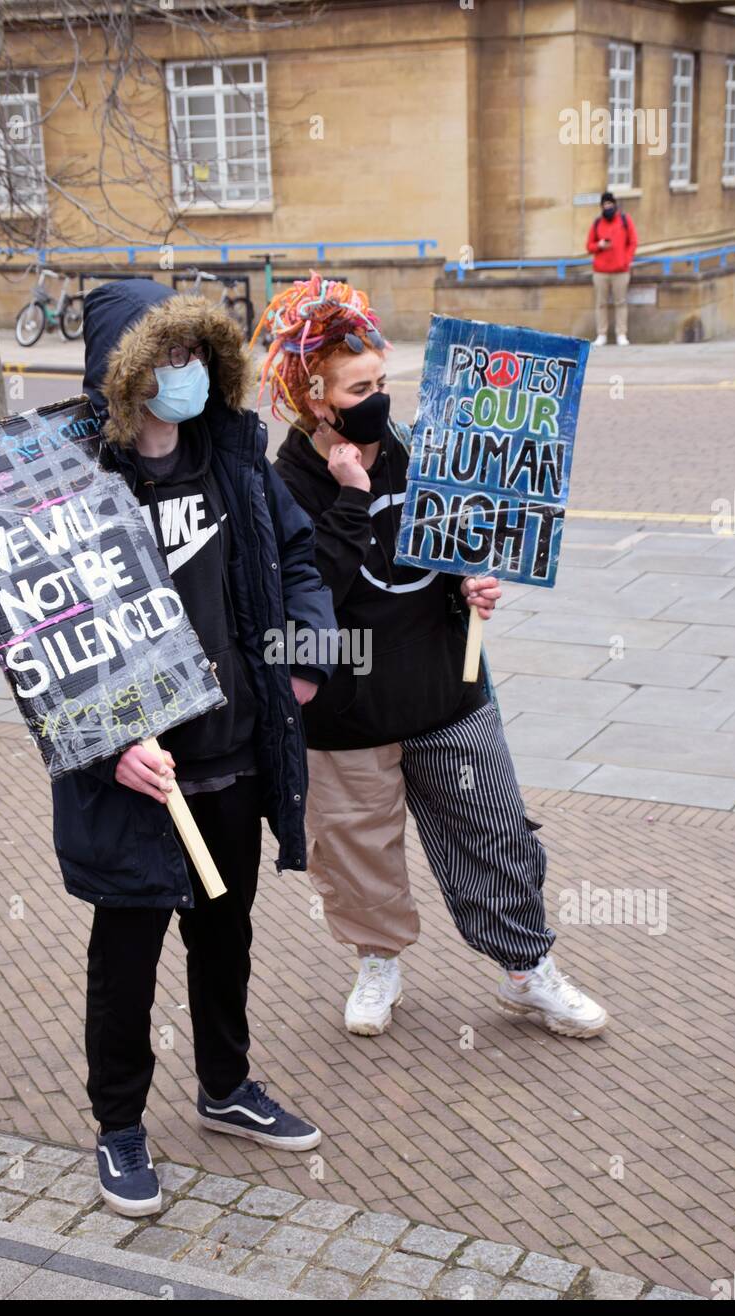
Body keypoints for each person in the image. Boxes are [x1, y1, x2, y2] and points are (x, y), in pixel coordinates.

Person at [256, 274, 608, 1043]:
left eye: (384, 380)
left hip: (449, 694)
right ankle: (378, 961)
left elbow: (460, 540)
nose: (380, 396)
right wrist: (350, 498)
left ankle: (526, 970)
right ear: (317, 398)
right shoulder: (280, 485)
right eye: (360, 386)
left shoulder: (426, 450)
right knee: (357, 857)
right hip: (347, 717)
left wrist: (472, 582)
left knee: (497, 834)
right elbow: (304, 598)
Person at [52, 279, 337, 1217]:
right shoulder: (74, 483)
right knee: (125, 960)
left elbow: (299, 562)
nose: (181, 376)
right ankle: (120, 1128)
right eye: (160, 358)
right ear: (120, 373)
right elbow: (44, 640)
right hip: (138, 777)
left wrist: (304, 661)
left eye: (191, 356)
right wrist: (103, 748)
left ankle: (225, 1086)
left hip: (231, 759)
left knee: (226, 937)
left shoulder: (237, 459)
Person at [586, 190, 638, 346]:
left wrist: (626, 260)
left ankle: (621, 334)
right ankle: (601, 334)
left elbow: (633, 242)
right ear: (602, 206)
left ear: (614, 205)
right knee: (601, 303)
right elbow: (589, 246)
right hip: (601, 271)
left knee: (620, 302)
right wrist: (599, 245)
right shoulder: (597, 223)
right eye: (605, 204)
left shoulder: (624, 220)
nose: (608, 207)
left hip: (620, 271)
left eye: (610, 204)